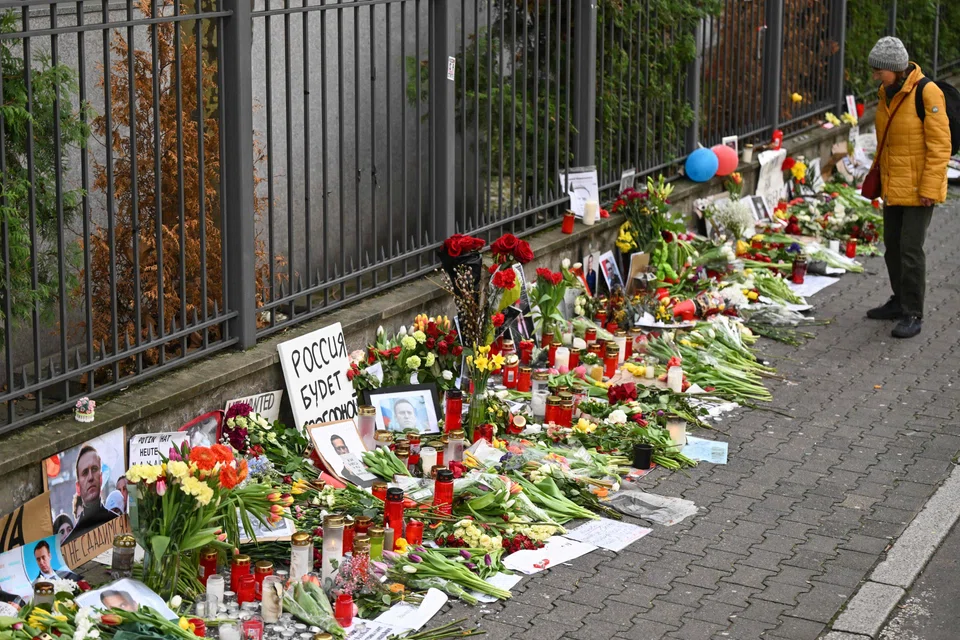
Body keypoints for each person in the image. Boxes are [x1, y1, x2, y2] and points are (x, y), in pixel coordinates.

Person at [864, 37, 951, 338]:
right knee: (893, 248)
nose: (875, 75)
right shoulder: (886, 93)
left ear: (896, 69)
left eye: (879, 70)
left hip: (918, 188)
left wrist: (929, 187)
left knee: (911, 252)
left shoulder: (927, 92)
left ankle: (913, 312)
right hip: (894, 185)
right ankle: (899, 300)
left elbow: (941, 146)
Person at [63, 445, 117, 545]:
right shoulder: (70, 544)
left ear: (101, 479)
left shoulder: (118, 525)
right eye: (85, 473)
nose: (91, 477)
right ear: (78, 488)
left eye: (94, 469)